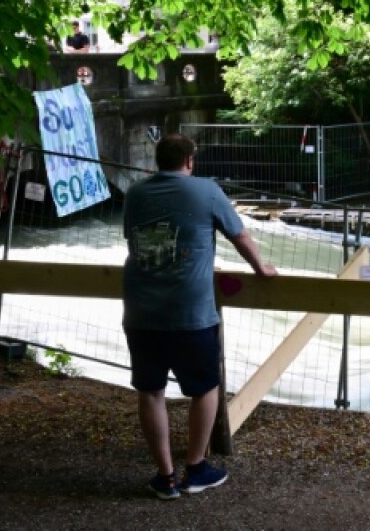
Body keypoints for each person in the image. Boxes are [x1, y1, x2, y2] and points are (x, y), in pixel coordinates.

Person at [123, 133, 277, 500]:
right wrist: (261, 268)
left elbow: (135, 239)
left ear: (159, 161)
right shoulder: (206, 191)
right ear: (189, 161)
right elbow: (239, 235)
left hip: (141, 310)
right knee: (205, 388)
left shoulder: (135, 194)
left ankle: (165, 477)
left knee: (150, 392)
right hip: (189, 311)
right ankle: (196, 468)